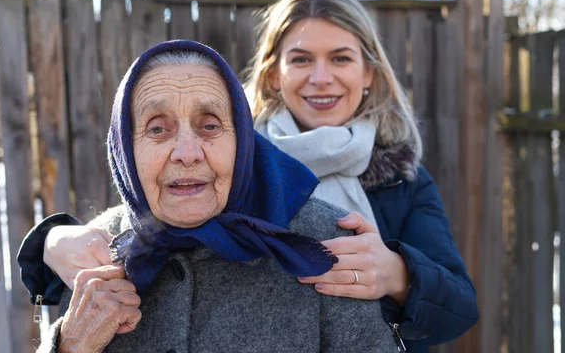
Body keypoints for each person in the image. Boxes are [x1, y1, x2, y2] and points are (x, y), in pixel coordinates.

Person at [19, 0, 478, 352]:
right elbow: (113, 231)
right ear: (274, 74)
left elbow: (458, 306)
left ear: (368, 74)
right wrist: (50, 241)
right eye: (301, 59)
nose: (188, 152)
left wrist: (397, 273)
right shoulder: (203, 163)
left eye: (340, 58)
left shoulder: (391, 183)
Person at [29, 39, 398, 352]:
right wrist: (69, 345)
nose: (187, 152)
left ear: (242, 142)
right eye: (158, 129)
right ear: (124, 148)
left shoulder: (319, 242)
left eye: (209, 126)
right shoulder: (95, 252)